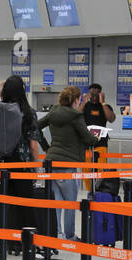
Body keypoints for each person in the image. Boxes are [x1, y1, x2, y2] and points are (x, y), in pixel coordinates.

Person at [0, 75, 46, 258]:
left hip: (0, 164)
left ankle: (2, 244)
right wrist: (37, 168)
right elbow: (33, 145)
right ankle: (34, 246)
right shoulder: (28, 112)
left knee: (3, 205)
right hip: (22, 165)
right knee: (27, 205)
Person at [38, 86, 94, 240]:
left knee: (56, 202)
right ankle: (69, 236)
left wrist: (46, 148)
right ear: (76, 100)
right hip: (68, 164)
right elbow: (88, 138)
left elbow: (36, 127)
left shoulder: (54, 111)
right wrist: (97, 138)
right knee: (70, 203)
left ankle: (56, 233)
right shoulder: (76, 116)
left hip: (51, 162)